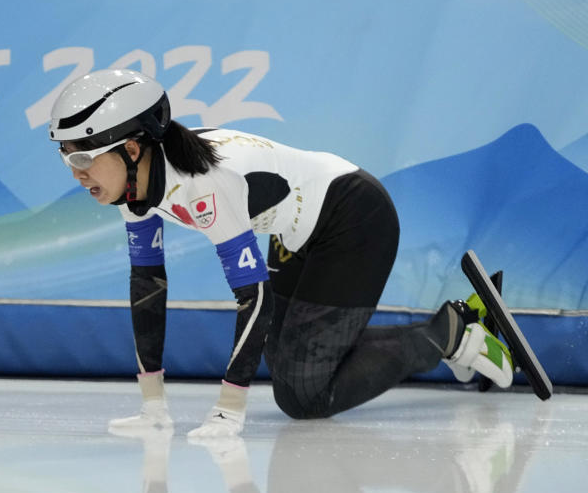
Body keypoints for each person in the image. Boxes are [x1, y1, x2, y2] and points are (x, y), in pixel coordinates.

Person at [48, 69, 514, 437]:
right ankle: (444, 331)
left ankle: (451, 334)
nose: (76, 174)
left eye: (82, 158)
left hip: (352, 216)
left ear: (131, 148)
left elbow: (254, 299)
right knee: (294, 367)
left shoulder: (205, 186)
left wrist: (229, 410)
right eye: (67, 158)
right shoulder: (134, 188)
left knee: (304, 397)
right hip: (296, 229)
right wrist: (153, 406)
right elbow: (147, 286)